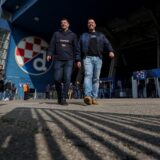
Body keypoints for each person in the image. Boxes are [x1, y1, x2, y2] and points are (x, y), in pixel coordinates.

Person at [79, 18, 115, 105]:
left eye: (92, 22)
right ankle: (87, 96)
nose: (90, 24)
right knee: (88, 75)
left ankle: (94, 98)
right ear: (87, 25)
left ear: (95, 25)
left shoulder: (100, 35)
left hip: (98, 58)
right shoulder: (83, 36)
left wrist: (111, 51)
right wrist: (77, 59)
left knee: (96, 78)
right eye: (89, 23)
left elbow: (107, 43)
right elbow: (78, 48)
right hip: (87, 58)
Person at [47, 18, 81, 105]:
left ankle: (63, 98)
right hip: (58, 59)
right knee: (56, 79)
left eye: (65, 23)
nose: (63, 24)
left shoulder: (73, 35)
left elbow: (77, 49)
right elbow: (51, 45)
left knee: (67, 79)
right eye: (62, 23)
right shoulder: (56, 34)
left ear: (68, 25)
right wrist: (49, 54)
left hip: (69, 60)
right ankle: (59, 96)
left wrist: (78, 60)